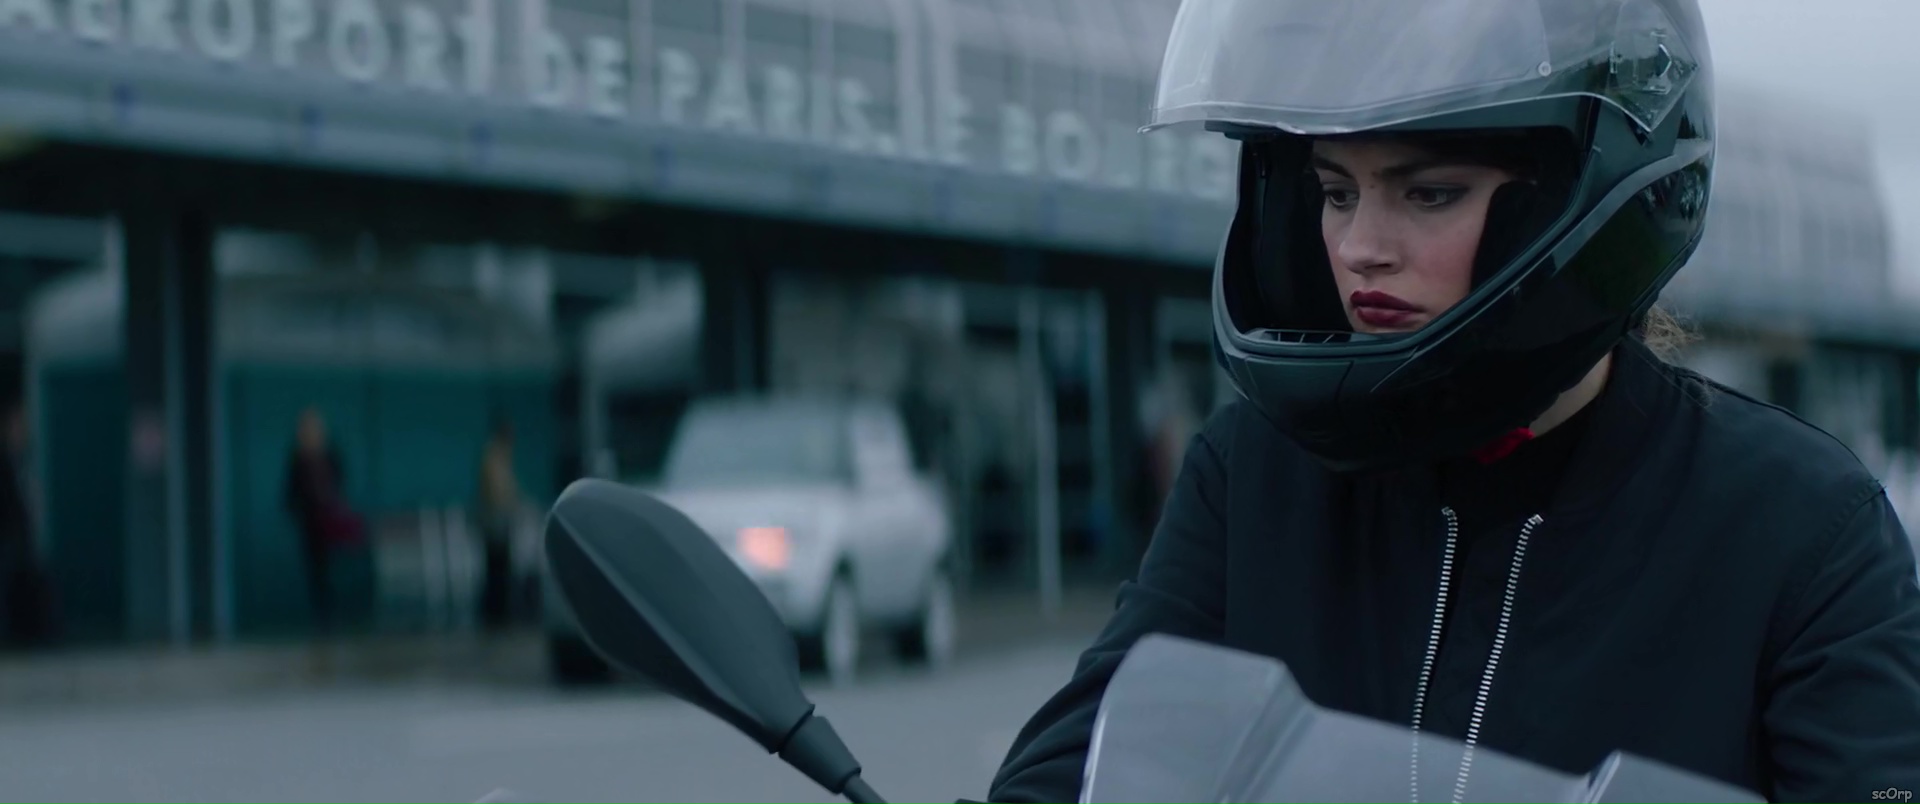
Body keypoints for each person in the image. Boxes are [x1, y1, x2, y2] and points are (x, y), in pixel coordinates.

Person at [983, 1, 1920, 802]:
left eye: (1428, 193)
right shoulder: (1253, 475)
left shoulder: (1800, 526)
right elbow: (1074, 769)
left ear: (1577, 200)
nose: (1360, 247)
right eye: (1335, 192)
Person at [283, 407, 360, 636]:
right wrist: (299, 510)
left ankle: (336, 616)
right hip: (310, 524)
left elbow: (339, 484)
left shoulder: (330, 455)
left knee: (333, 570)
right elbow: (290, 493)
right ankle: (323, 618)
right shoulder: (297, 459)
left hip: (331, 521)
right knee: (316, 573)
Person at [475, 413, 524, 632]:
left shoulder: (500, 456)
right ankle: (496, 614)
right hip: (496, 522)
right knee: (497, 568)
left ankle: (498, 611)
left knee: (500, 568)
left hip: (499, 520)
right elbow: (497, 492)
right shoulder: (495, 457)